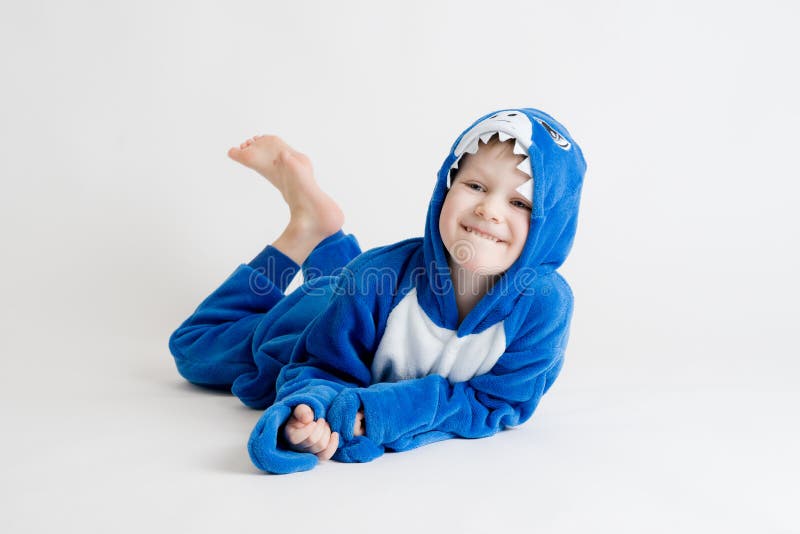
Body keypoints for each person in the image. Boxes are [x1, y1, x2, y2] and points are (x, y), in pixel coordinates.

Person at [168, 108, 586, 474]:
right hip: (323, 315)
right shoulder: (374, 277)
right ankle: (302, 234)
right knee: (196, 348)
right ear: (446, 186)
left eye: (521, 204)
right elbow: (319, 367)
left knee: (355, 285)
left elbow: (497, 404)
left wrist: (377, 414)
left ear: (551, 227)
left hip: (366, 299)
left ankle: (323, 230)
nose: (489, 209)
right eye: (475, 186)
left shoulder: (544, 307)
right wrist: (311, 411)